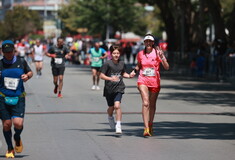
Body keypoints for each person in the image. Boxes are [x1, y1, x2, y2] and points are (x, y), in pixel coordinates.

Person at [130, 34, 169, 137]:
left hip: (155, 82)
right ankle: (146, 128)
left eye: (150, 41)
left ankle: (151, 124)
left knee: (152, 105)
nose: (148, 43)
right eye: (146, 41)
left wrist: (162, 57)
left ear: (153, 43)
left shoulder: (158, 53)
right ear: (144, 43)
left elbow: (167, 67)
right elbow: (139, 65)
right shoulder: (140, 54)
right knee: (146, 103)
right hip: (143, 80)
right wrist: (134, 71)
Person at [0, 40, 33, 158]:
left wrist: (27, 76)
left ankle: (17, 137)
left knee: (18, 124)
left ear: (14, 50)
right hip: (3, 98)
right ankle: (10, 148)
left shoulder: (21, 62)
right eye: (6, 52)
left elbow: (30, 72)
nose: (8, 54)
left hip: (18, 98)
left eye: (10, 52)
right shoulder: (0, 64)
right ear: (2, 52)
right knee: (7, 125)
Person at [100, 45, 133, 134]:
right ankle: (110, 117)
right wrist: (111, 79)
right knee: (111, 107)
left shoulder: (122, 63)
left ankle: (118, 125)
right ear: (111, 54)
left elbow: (123, 73)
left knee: (117, 106)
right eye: (114, 53)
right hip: (109, 89)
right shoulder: (107, 64)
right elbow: (101, 76)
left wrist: (129, 76)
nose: (116, 55)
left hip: (119, 87)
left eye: (118, 53)